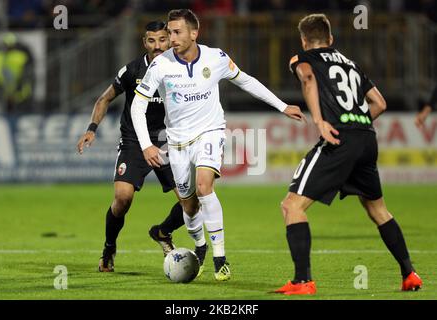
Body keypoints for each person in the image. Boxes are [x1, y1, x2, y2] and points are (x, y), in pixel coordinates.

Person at [131, 9, 306, 281]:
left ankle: (220, 257)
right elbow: (137, 106)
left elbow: (245, 80)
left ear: (193, 33)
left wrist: (282, 105)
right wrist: (146, 145)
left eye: (177, 32)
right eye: (170, 32)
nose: (171, 38)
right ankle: (200, 247)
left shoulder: (217, 58)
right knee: (188, 206)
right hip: (177, 141)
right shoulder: (161, 65)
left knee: (204, 186)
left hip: (210, 132)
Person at [274, 14, 423, 295]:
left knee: (291, 205)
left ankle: (302, 281)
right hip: (367, 138)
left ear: (304, 40)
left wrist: (320, 121)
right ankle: (410, 274)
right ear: (331, 39)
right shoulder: (352, 65)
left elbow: (307, 79)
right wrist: (357, 122)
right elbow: (379, 103)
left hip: (339, 139)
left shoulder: (302, 58)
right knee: (378, 210)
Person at [76, 21, 208, 273]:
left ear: (170, 40)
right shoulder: (132, 70)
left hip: (169, 142)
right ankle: (109, 248)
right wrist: (91, 129)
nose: (157, 46)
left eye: (162, 39)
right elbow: (104, 98)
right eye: (151, 41)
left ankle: (162, 231)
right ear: (144, 42)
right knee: (122, 198)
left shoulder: (180, 68)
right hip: (134, 142)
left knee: (191, 204)